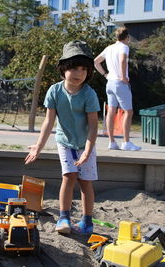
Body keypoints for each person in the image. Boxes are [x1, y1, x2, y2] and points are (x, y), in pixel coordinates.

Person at [25, 40, 100, 234]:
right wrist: (38, 147)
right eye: (74, 68)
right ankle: (64, 218)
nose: (79, 73)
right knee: (69, 176)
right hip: (65, 142)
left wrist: (87, 151)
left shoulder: (89, 94)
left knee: (85, 183)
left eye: (84, 69)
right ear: (64, 68)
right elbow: (48, 122)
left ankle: (87, 221)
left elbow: (93, 125)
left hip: (85, 144)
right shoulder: (55, 91)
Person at [94, 27, 141, 151]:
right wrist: (123, 76)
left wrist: (105, 74)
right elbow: (122, 60)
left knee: (111, 111)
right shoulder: (124, 47)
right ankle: (126, 142)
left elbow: (96, 62)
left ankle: (112, 142)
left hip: (110, 83)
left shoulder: (109, 48)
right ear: (127, 38)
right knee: (128, 112)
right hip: (120, 83)